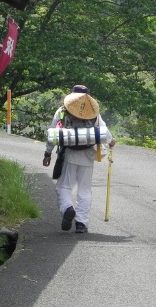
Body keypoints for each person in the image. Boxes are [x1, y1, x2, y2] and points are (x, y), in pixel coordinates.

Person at [43, 85, 116, 233]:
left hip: (68, 154)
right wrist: (111, 141)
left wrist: (48, 153)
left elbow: (53, 134)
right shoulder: (93, 111)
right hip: (88, 155)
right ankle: (81, 223)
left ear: (72, 94)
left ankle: (67, 208)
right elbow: (104, 130)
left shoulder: (63, 109)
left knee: (63, 187)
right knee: (85, 190)